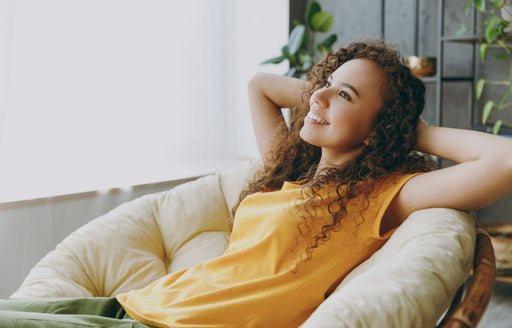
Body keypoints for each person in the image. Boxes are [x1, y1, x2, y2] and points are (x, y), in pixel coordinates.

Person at [1, 39, 511, 327]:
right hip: (139, 304)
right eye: (323, 86)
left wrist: (411, 129)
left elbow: (504, 161)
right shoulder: (291, 170)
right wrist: (327, 92)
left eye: (345, 96)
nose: (319, 99)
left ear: (381, 127)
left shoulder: (378, 198)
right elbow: (261, 85)